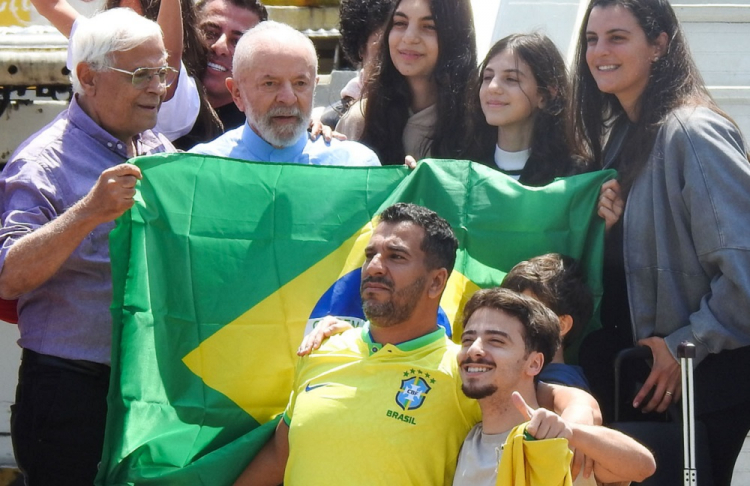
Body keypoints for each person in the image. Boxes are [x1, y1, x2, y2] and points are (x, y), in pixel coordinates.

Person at [234, 203, 601, 485]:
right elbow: (282, 454)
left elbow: (549, 399)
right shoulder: (321, 348)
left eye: (396, 256)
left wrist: (579, 416)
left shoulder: (465, 368)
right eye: (370, 255)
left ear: (436, 281)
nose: (374, 267)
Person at [571, 0, 750, 484]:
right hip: (648, 383)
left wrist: (684, 347)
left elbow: (744, 267)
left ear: (659, 45)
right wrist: (614, 228)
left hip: (701, 386)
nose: (599, 52)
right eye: (591, 39)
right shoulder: (626, 135)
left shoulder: (693, 132)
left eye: (617, 37)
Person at [0, 10, 175, 485]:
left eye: (162, 72)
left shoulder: (156, 148)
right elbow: (9, 276)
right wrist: (88, 212)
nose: (158, 88)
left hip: (144, 384)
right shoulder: (41, 162)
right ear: (88, 77)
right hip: (70, 391)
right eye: (141, 74)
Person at [453, 288, 655, 486]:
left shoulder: (562, 441)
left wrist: (571, 432)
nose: (474, 349)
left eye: (496, 341)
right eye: (467, 340)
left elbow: (643, 466)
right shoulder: (466, 441)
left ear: (534, 363)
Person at [190, 21, 380, 167]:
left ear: (314, 87)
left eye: (300, 84)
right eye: (270, 84)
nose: (288, 98)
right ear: (237, 93)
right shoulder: (202, 171)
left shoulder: (355, 167)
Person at [31, 0, 202, 141]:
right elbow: (49, 4)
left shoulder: (165, 71)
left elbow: (168, 52)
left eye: (141, 74)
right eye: (120, 13)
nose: (157, 88)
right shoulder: (100, 43)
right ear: (87, 77)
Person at [342, 0, 476, 165]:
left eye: (429, 26)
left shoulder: (477, 123)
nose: (409, 38)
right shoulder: (361, 119)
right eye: (400, 23)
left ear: (455, 36)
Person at [462, 33, 589, 185]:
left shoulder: (575, 177)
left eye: (511, 79)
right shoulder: (461, 168)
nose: (492, 87)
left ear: (545, 96)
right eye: (487, 77)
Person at [173, 0, 268, 149]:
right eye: (210, 33)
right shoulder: (153, 107)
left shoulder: (261, 131)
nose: (220, 47)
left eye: (237, 42)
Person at [501, 253, 594, 390]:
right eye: (508, 311)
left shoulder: (557, 386)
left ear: (561, 326)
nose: (511, 321)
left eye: (526, 312)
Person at [318, 0, 394, 129]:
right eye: (383, 48)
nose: (395, 58)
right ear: (361, 48)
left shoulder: (428, 117)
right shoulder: (332, 125)